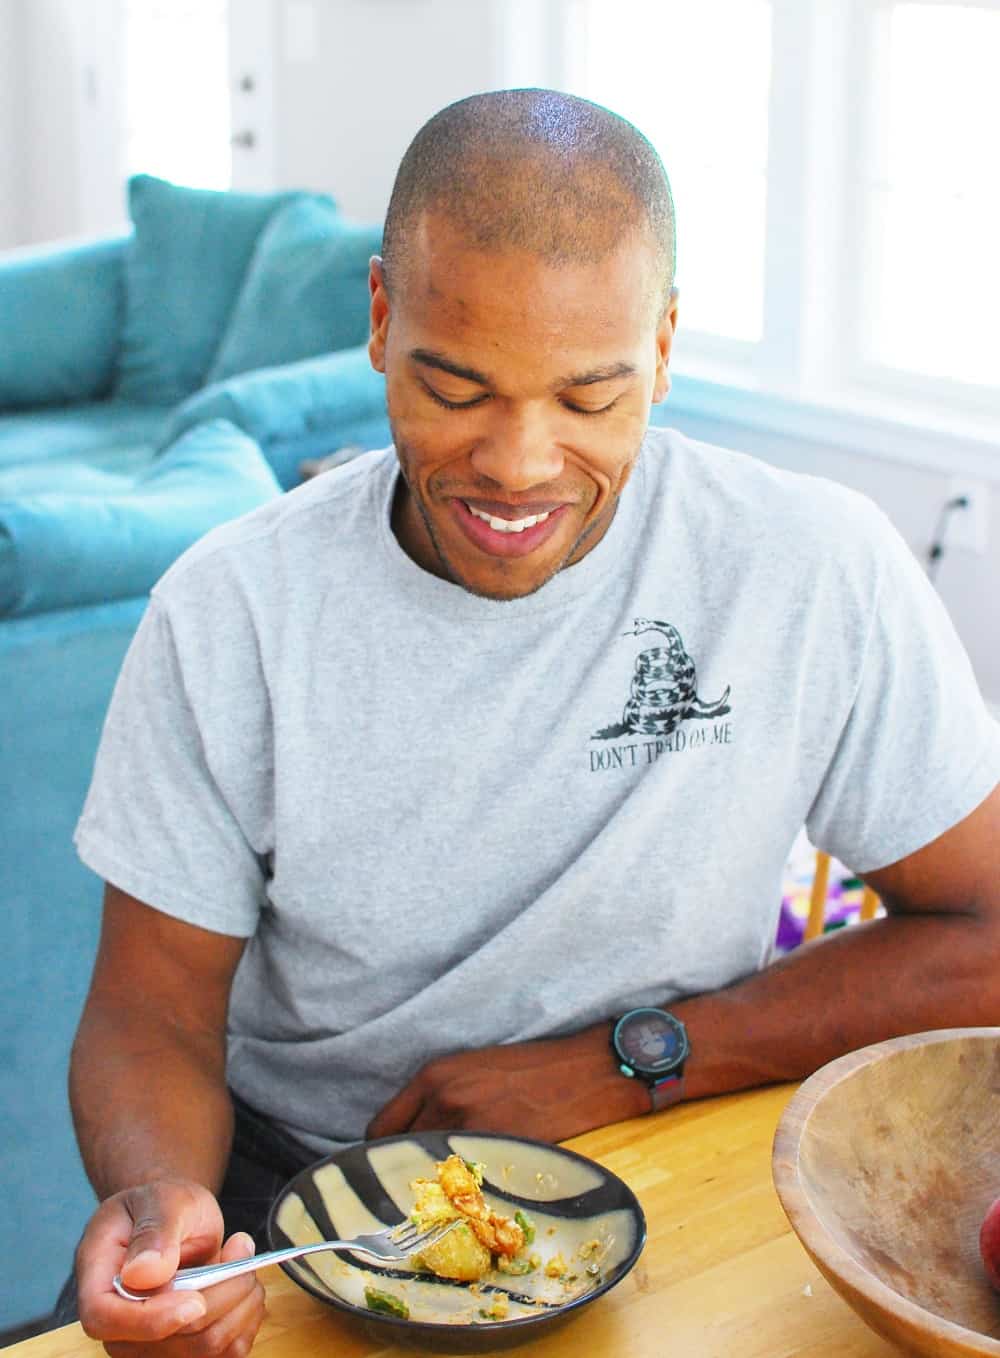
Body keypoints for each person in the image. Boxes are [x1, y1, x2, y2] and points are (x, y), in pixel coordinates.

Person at [64, 88, 1000, 1355]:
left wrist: (629, 1059)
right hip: (310, 1208)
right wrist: (157, 1197)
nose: (518, 463)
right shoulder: (230, 611)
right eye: (457, 386)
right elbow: (151, 1012)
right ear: (383, 321)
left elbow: (985, 928)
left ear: (664, 348)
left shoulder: (809, 567)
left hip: (678, 1153)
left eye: (589, 396)